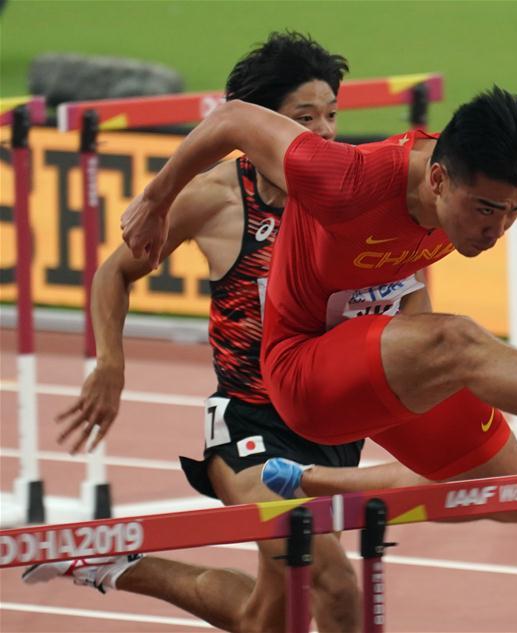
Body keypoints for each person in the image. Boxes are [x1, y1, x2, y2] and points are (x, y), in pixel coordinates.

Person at [120, 85, 517, 512]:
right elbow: (231, 117)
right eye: (485, 210)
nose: (497, 228)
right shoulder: (345, 178)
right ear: (437, 178)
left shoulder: (499, 185)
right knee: (454, 338)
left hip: (382, 369)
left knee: (515, 497)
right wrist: (154, 201)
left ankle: (309, 482)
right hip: (301, 372)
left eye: (512, 212)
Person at [23, 32, 424, 633]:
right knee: (334, 584)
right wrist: (110, 364)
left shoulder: (361, 194)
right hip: (249, 425)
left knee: (268, 618)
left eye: (332, 116)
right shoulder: (214, 199)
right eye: (304, 117)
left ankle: (116, 563)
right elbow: (115, 272)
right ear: (260, 125)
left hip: (333, 425)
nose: (324, 134)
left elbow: (413, 312)